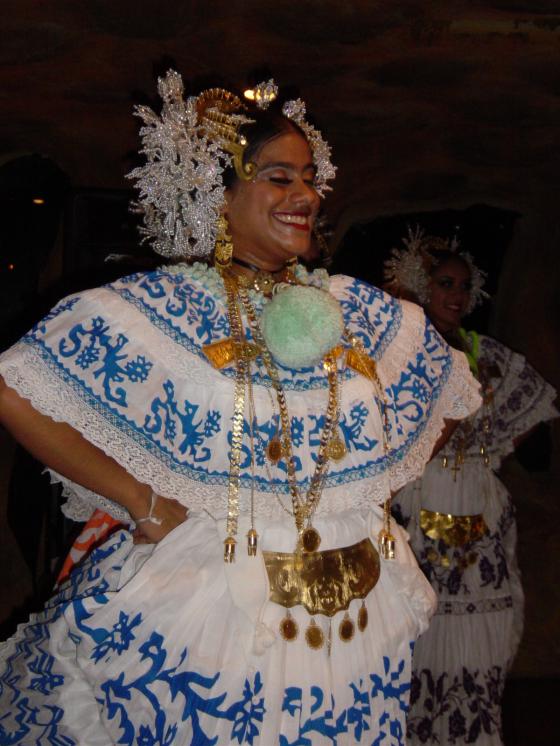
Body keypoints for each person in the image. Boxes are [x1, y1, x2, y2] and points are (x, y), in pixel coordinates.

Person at [0, 74, 481, 745]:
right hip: (208, 608)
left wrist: (379, 481)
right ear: (216, 192)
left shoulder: (358, 310)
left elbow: (449, 386)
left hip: (355, 603)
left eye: (310, 178)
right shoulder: (164, 306)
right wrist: (147, 502)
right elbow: (18, 386)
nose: (306, 196)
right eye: (279, 178)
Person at [384, 229, 558, 746]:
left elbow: (536, 399)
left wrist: (491, 448)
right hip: (419, 506)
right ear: (423, 285)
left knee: (484, 639)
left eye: (463, 285)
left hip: (478, 509)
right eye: (444, 283)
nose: (456, 295)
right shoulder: (407, 350)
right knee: (419, 633)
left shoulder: (483, 352)